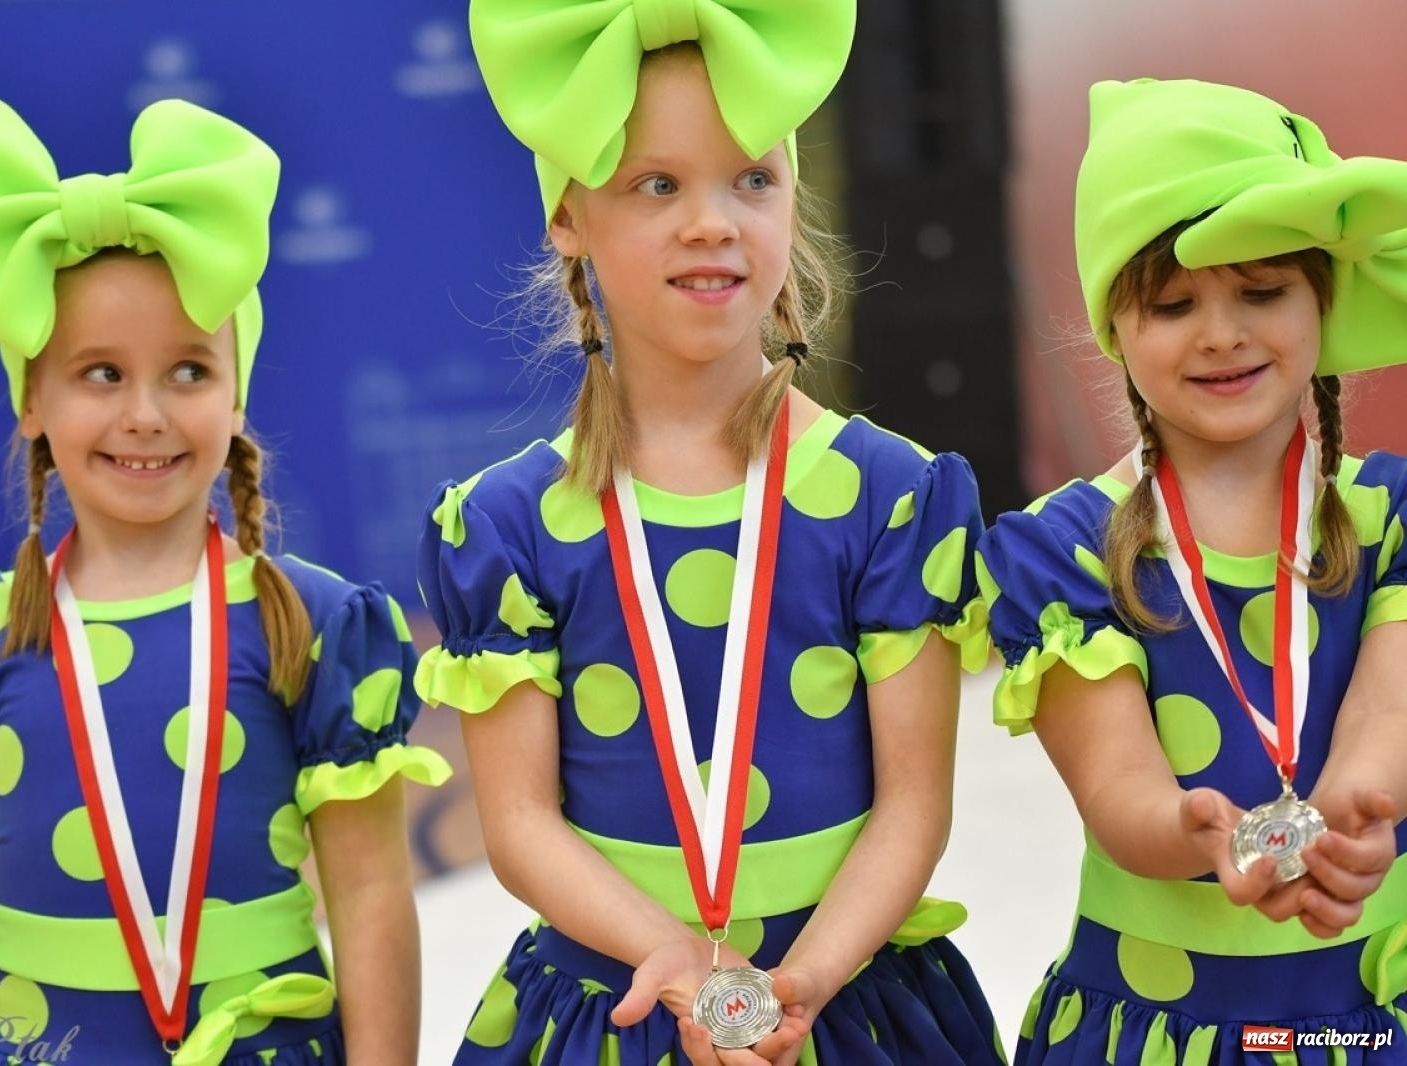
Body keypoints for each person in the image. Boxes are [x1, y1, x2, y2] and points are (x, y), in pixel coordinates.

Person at [415, 3, 1002, 1063]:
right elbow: (520, 824)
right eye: (657, 184)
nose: (712, 221)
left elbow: (913, 803)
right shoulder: (509, 527)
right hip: (623, 1008)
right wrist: (674, 956)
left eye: (752, 180)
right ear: (568, 216)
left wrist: (803, 983)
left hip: (845, 999)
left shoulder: (887, 495)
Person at [0, 98, 450, 1066]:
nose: (144, 413)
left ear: (235, 398)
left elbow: (370, 892)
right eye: (100, 373)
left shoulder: (310, 623)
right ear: (32, 401)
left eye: (187, 371)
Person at [980, 77, 1407, 1061]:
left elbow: (1387, 713)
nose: (1220, 333)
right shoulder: (1063, 549)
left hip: (1364, 1007)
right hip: (1159, 1024)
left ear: (1322, 298)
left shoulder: (1390, 518)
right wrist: (1198, 833)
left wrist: (1349, 821)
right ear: (1113, 330)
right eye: (1173, 304)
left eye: (1261, 290)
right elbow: (1117, 786)